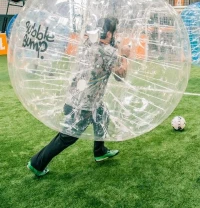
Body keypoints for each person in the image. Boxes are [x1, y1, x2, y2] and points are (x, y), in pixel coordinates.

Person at [27, 17, 131, 176]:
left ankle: (100, 150)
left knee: (102, 115)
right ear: (109, 33)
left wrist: (114, 47)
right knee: (67, 137)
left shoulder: (88, 44)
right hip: (84, 104)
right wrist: (125, 56)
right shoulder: (108, 52)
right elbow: (120, 76)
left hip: (79, 94)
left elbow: (99, 51)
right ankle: (37, 163)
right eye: (114, 32)